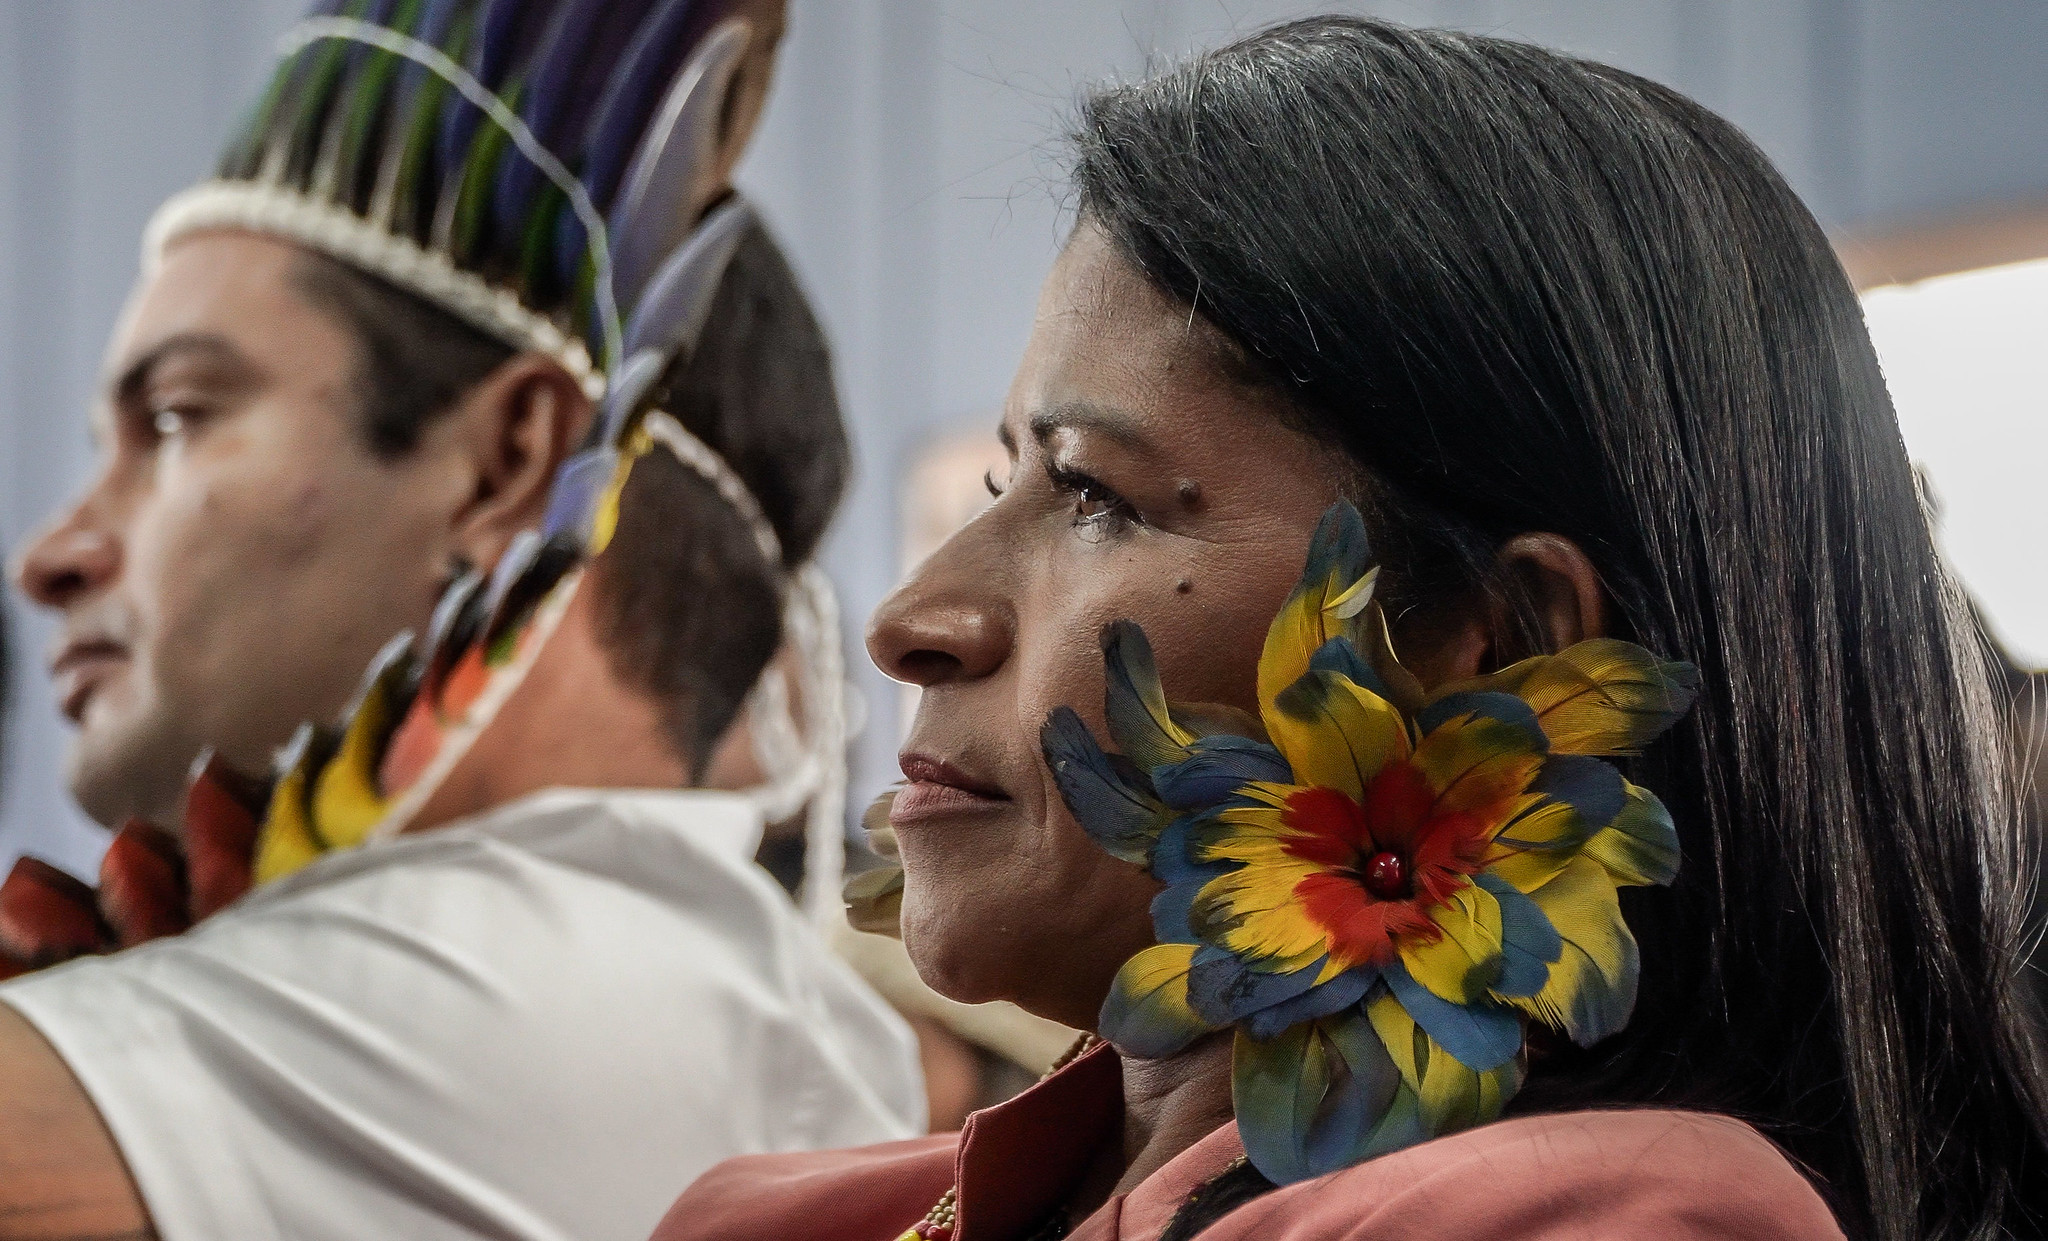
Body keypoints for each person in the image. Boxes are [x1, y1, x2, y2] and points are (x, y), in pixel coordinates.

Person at [657, 17, 2048, 1241]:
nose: (911, 620)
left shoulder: (1607, 1217)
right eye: (998, 478)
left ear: (1506, 656)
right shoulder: (791, 1213)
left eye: (1093, 494)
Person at [0, 3, 921, 1239]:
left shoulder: (504, 982)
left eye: (176, 415)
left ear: (502, 464)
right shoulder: (730, 990)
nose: (50, 555)